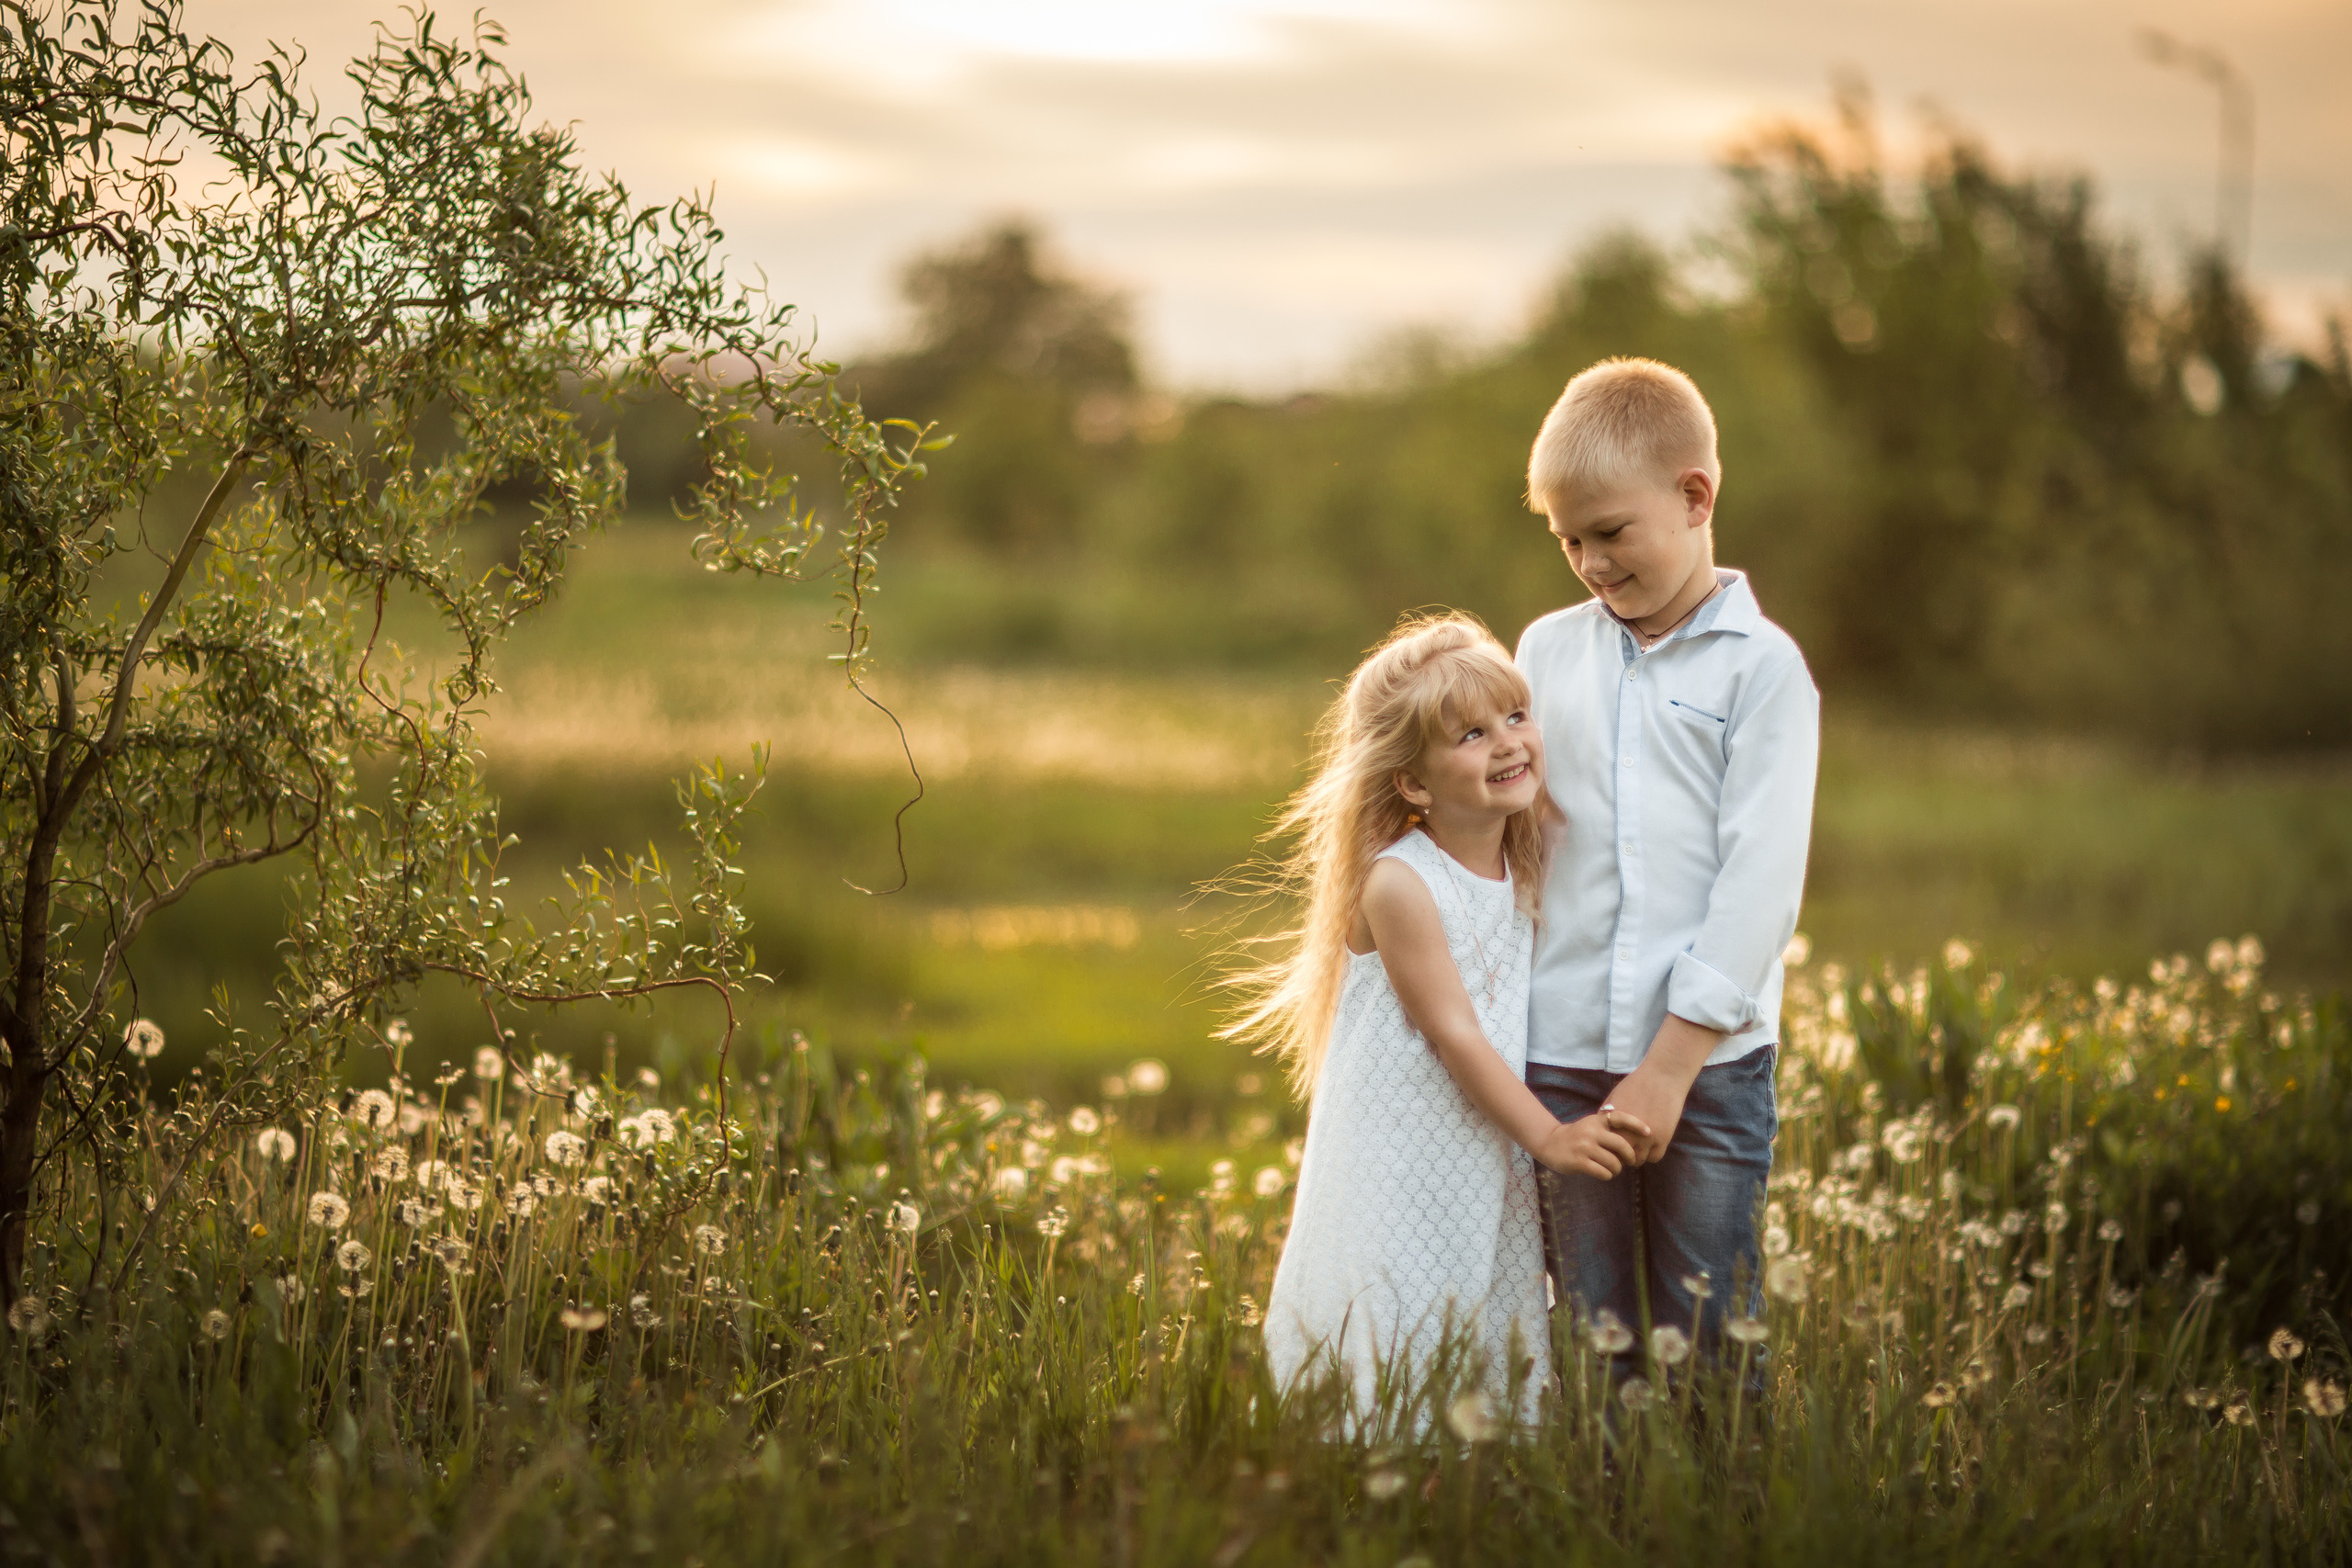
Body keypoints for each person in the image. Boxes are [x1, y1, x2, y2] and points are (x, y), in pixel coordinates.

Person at [1227, 615, 1648, 1432]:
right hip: (1401, 1152)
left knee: (1478, 1305)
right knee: (1402, 1310)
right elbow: (1455, 1033)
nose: (1507, 743)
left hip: (1477, 1147)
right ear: (1414, 784)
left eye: (1516, 718)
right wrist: (1550, 1138)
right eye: (1470, 734)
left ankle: (1466, 1490)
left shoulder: (1520, 853)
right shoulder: (1399, 884)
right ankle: (1379, 1488)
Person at [1514, 357, 1819, 1379]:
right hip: (1557, 1055)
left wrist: (1671, 1064)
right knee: (1588, 1334)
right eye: (1568, 541)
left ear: (1695, 497)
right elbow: (1508, 825)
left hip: (1710, 1067)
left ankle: (1718, 1521)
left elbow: (1760, 884)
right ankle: (1600, 1521)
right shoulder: (1544, 654)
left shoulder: (1761, 669)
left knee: (1708, 1338)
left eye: (1610, 532)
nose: (1591, 564)